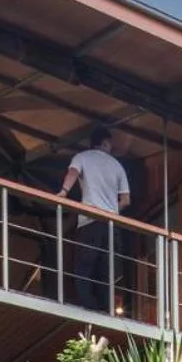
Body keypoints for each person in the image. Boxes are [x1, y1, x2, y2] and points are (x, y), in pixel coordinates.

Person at [57, 127, 130, 312]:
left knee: (84, 265)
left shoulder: (82, 157)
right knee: (107, 269)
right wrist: (113, 210)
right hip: (112, 223)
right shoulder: (117, 165)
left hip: (90, 221)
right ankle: (106, 309)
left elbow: (72, 173)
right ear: (105, 143)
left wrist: (63, 193)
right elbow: (126, 200)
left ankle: (87, 305)